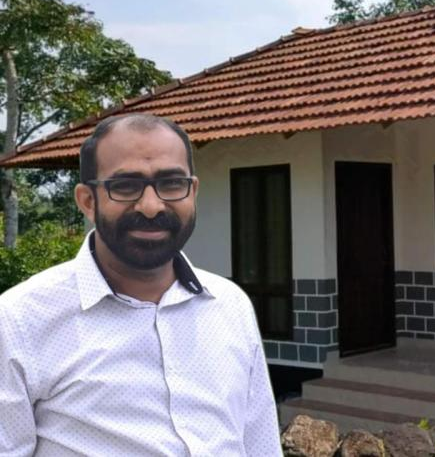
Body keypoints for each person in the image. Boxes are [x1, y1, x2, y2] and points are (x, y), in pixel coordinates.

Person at [0, 114, 282, 456]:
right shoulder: (18, 321)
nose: (151, 206)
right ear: (88, 201)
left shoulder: (229, 305)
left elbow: (261, 445)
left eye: (172, 183)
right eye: (125, 186)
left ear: (192, 192)